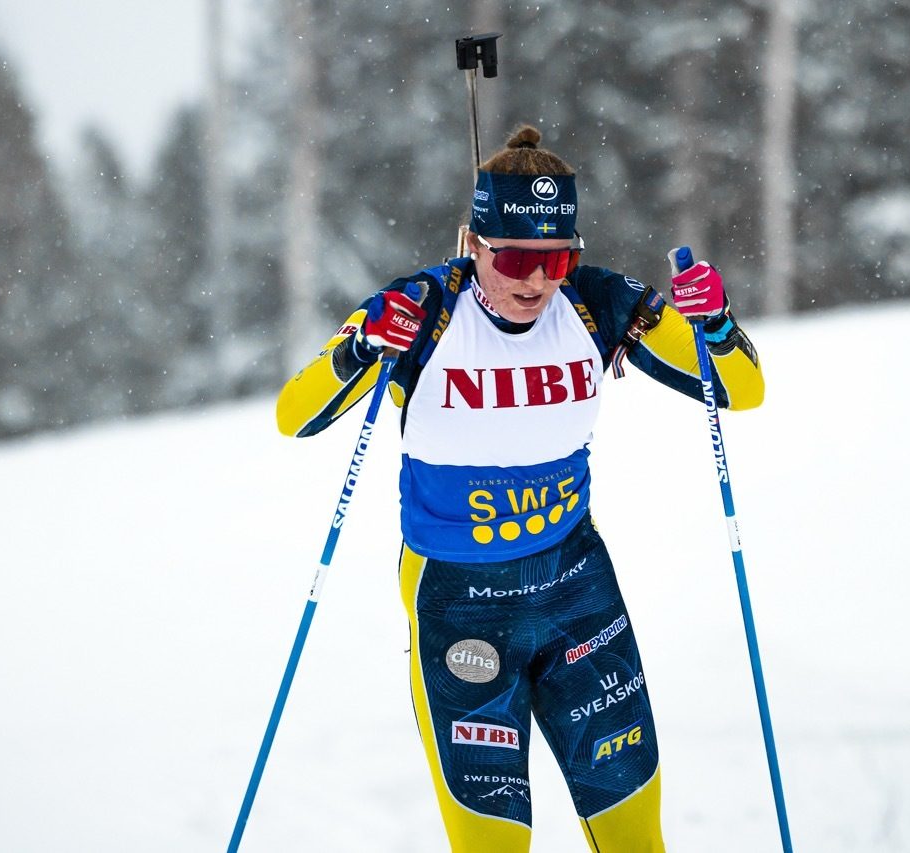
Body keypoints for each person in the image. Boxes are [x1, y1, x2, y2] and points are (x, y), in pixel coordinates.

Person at [275, 125, 764, 853]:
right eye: (514, 259)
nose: (537, 281)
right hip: (460, 605)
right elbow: (295, 415)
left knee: (636, 839)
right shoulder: (424, 308)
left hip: (577, 596)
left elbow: (741, 390)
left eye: (557, 258)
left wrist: (715, 323)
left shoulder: (597, 303)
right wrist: (361, 346)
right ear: (475, 243)